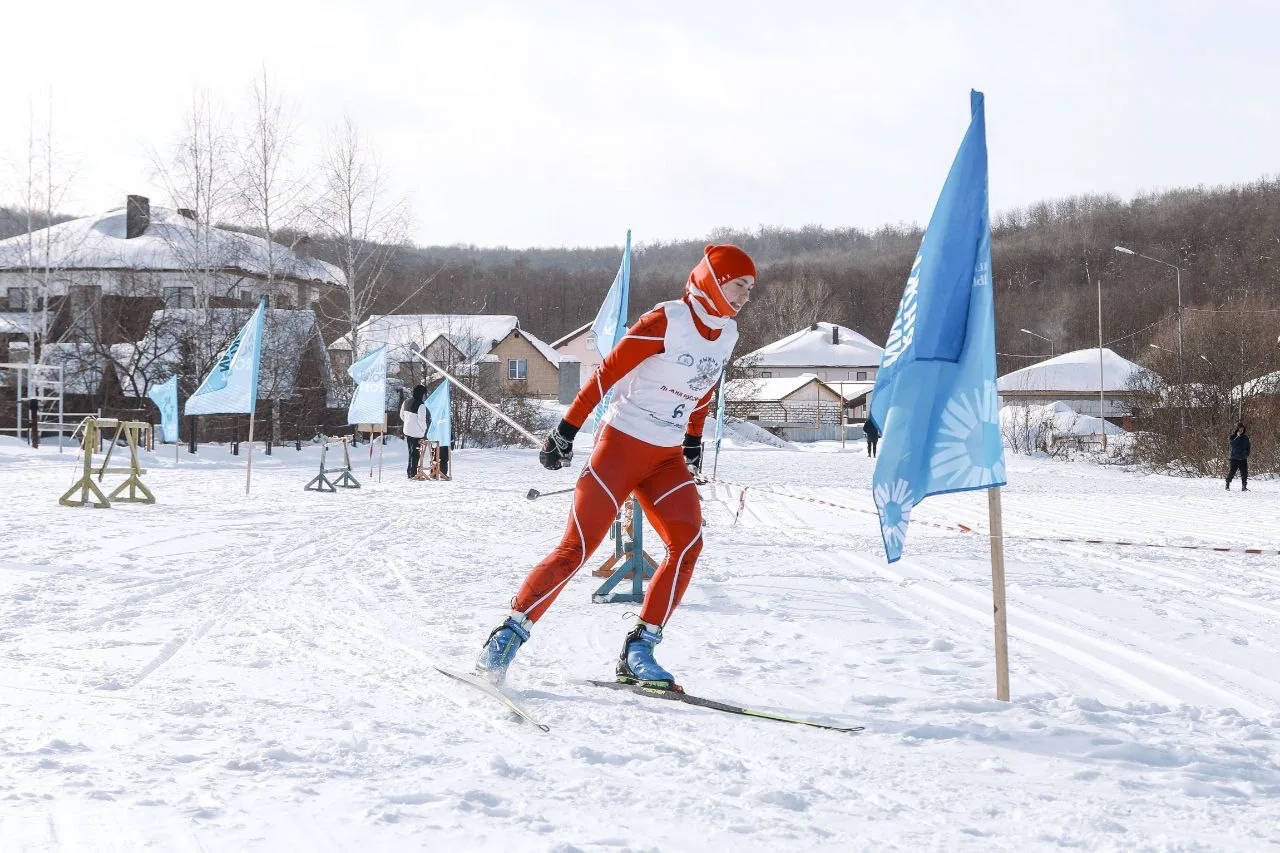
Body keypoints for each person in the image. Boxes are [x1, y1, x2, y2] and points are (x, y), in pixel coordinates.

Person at [475, 245, 757, 691]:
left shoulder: (728, 335)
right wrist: (566, 429)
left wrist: (692, 441)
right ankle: (507, 636)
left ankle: (639, 649)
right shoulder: (667, 319)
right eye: (739, 285)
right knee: (577, 549)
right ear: (715, 280)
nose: (745, 296)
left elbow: (703, 387)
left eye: (750, 289)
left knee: (687, 543)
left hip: (665, 458)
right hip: (620, 448)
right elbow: (606, 373)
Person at [400, 384, 432, 479]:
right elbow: (422, 421)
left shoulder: (406, 402)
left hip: (407, 431)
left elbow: (402, 416)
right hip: (417, 433)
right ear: (422, 394)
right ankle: (413, 474)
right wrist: (424, 429)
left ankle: (409, 472)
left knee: (410, 452)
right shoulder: (421, 405)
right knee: (415, 454)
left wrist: (408, 423)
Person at [1226, 421, 1250, 491]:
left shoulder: (1245, 437)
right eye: (1240, 428)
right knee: (1232, 473)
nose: (1241, 430)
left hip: (1243, 459)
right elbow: (1232, 444)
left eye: (1242, 428)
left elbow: (1248, 447)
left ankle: (1244, 487)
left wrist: (1247, 454)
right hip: (1234, 458)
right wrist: (1237, 437)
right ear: (1237, 429)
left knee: (1244, 473)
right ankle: (1227, 485)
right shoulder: (1233, 437)